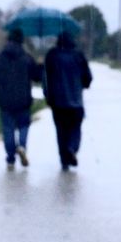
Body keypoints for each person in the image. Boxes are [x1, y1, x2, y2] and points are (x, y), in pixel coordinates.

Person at [41, 29, 94, 169]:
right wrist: (83, 84)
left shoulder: (51, 55)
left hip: (57, 102)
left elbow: (45, 78)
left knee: (61, 131)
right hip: (76, 101)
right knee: (75, 128)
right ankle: (72, 148)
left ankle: (64, 160)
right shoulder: (78, 55)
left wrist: (47, 95)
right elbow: (88, 77)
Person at [0, 28, 42, 168]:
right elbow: (37, 77)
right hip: (23, 99)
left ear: (8, 40)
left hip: (5, 100)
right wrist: (40, 65)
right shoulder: (27, 58)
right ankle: (22, 147)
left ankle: (11, 157)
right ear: (21, 41)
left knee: (8, 128)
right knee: (24, 125)